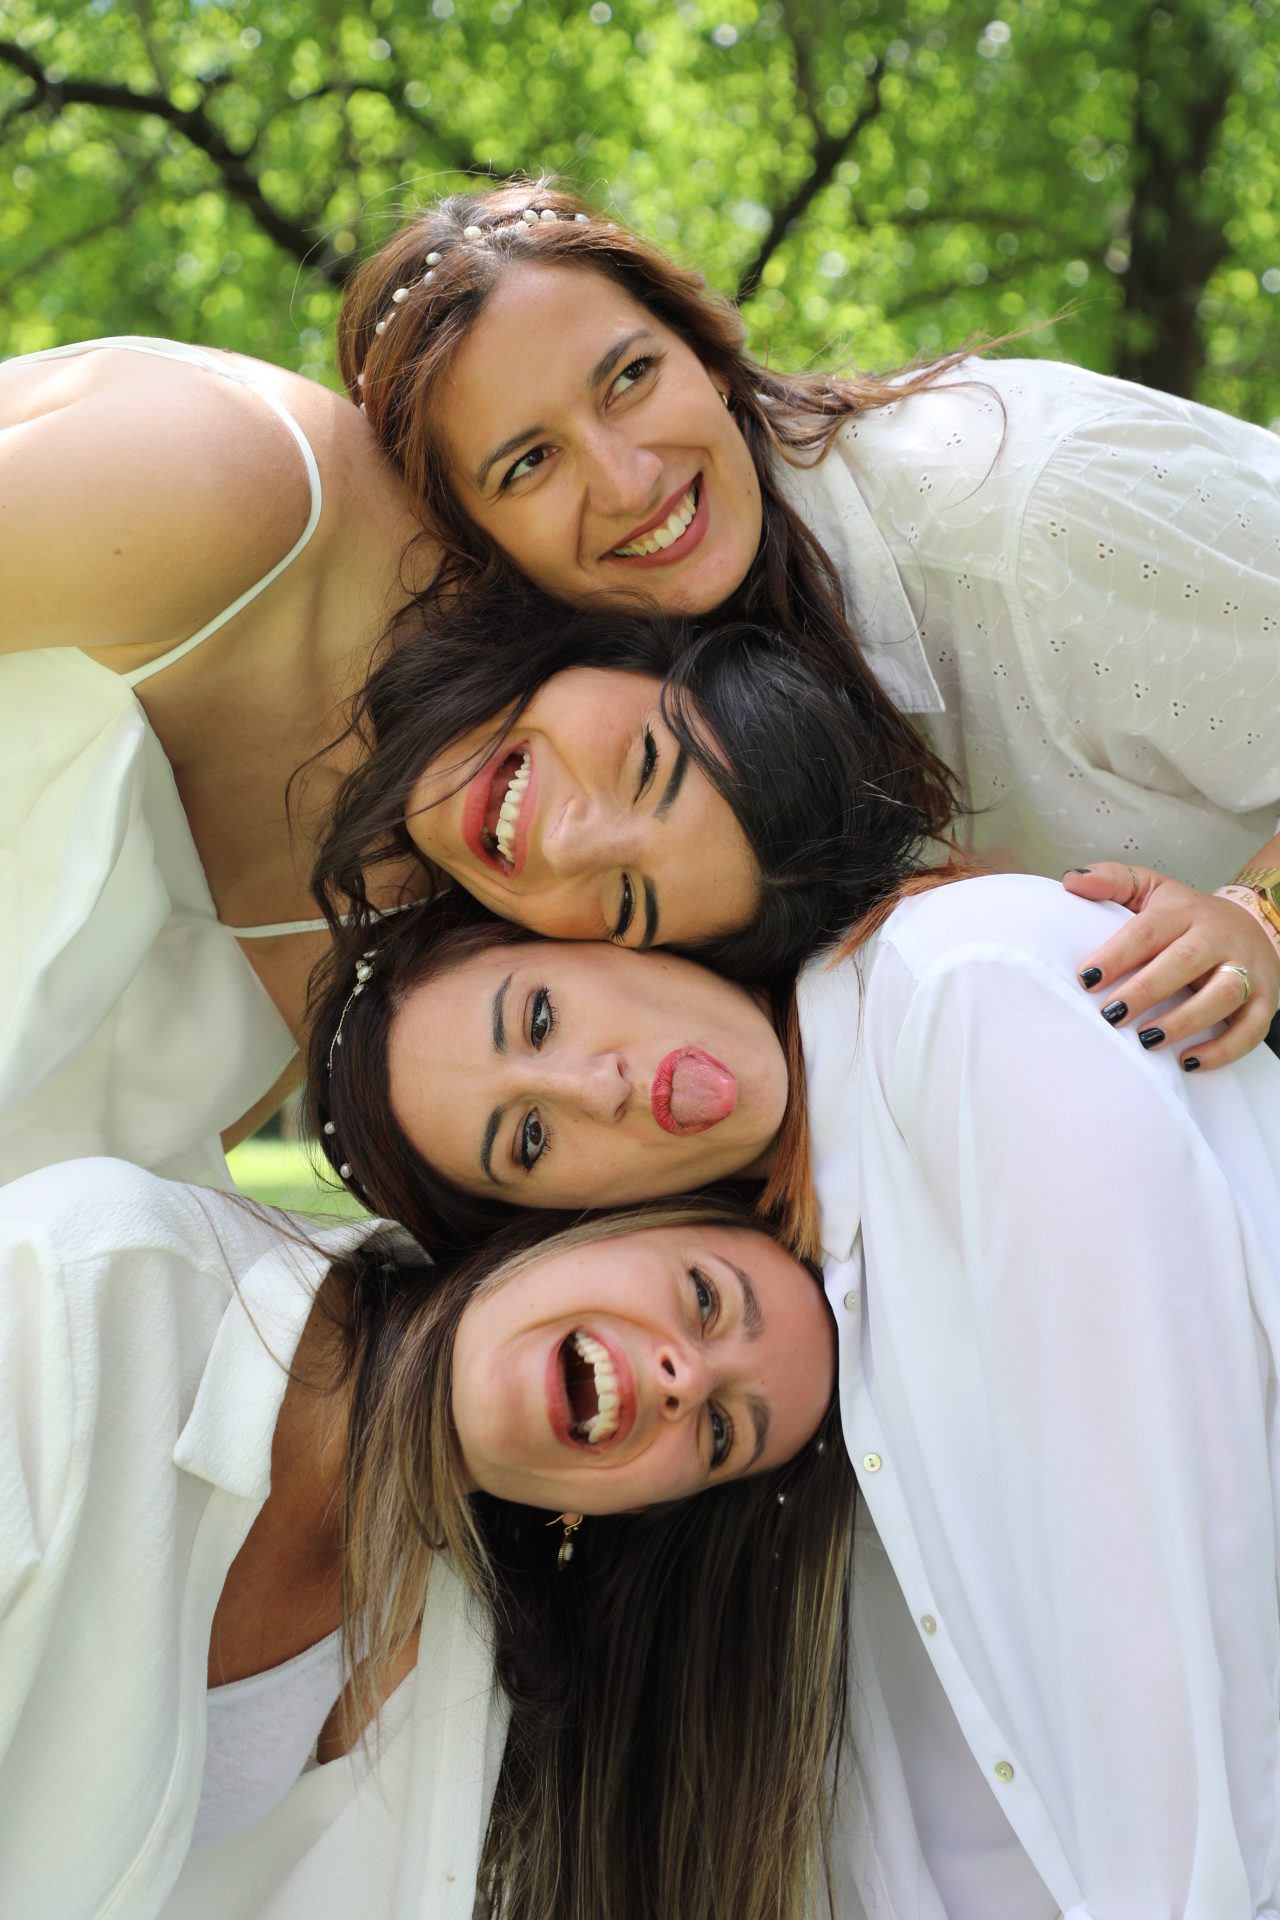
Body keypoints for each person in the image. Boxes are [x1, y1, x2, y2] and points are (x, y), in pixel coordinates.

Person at [306, 866, 1280, 1914]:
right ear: (564, 1217)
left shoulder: (951, 992)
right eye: (532, 1140)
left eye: (540, 1016)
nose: (600, 1087)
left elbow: (1177, 1588)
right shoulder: (810, 1411)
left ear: (594, 929)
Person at [343, 177, 1280, 1069]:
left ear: (707, 351)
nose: (627, 482)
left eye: (630, 377)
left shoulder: (1024, 514)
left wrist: (1257, 916)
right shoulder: (615, 703)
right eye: (528, 463)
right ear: (482, 540)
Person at [0, 1154, 849, 1920]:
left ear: (638, 1505)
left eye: (720, 1433)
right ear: (591, 1219)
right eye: (705, 1298)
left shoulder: (459, 1684)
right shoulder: (85, 1284)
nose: (685, 1379)